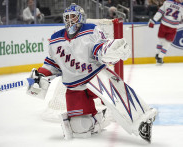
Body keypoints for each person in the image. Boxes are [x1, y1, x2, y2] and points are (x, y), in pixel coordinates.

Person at [26, 3, 156, 142]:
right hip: (74, 88)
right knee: (79, 129)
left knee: (121, 102)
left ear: (81, 18)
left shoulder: (91, 30)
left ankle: (142, 120)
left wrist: (109, 50)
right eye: (67, 17)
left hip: (97, 78)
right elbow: (52, 63)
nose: (70, 20)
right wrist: (41, 75)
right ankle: (100, 119)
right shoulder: (55, 39)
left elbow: (99, 48)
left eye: (74, 17)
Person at [148, 0, 183, 64]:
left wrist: (153, 21)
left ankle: (157, 54)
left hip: (164, 24)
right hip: (173, 27)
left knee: (161, 41)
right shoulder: (182, 6)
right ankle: (160, 57)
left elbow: (160, 12)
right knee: (167, 43)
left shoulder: (167, 2)